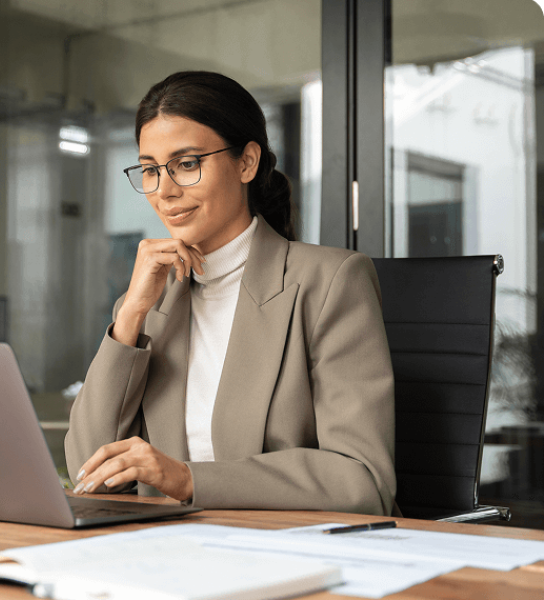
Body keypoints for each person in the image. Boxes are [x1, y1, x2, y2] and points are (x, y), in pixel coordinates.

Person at [64, 71, 396, 516]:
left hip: (284, 553)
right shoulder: (149, 304)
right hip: (168, 555)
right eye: (149, 170)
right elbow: (89, 473)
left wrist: (186, 479)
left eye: (186, 163)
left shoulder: (330, 281)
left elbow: (364, 481)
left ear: (246, 163)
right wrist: (130, 316)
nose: (164, 191)